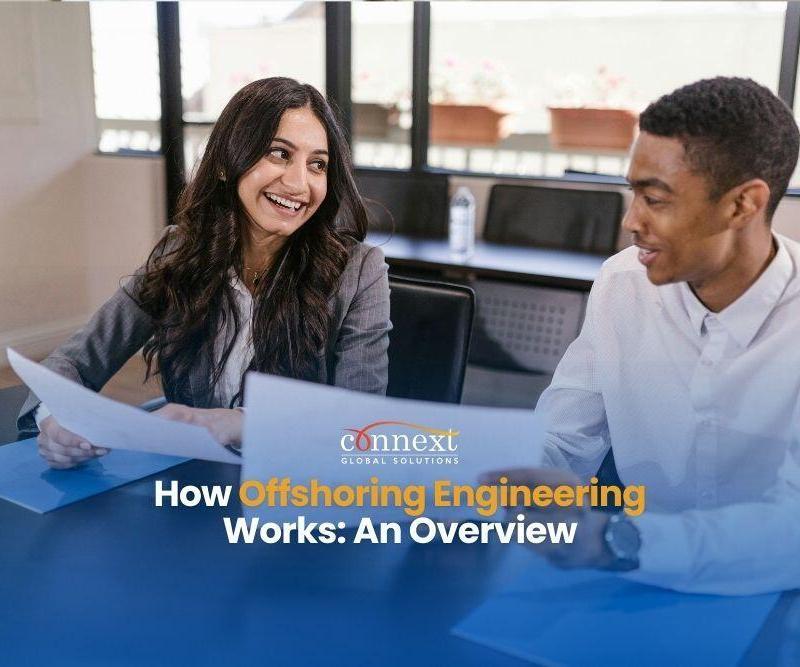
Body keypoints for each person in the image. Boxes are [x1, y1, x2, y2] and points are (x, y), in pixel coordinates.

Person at [489, 77, 800, 595]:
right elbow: (565, 436)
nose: (631, 221)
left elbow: (791, 531)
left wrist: (618, 540)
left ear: (743, 205)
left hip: (772, 596)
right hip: (629, 580)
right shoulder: (623, 280)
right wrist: (503, 485)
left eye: (655, 199)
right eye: (634, 193)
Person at [18, 77, 391, 468]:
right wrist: (54, 420)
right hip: (190, 484)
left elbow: (360, 422)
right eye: (279, 154)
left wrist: (238, 423)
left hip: (294, 492)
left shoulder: (360, 271)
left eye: (317, 164)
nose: (299, 183)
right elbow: (75, 361)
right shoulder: (179, 250)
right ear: (228, 164)